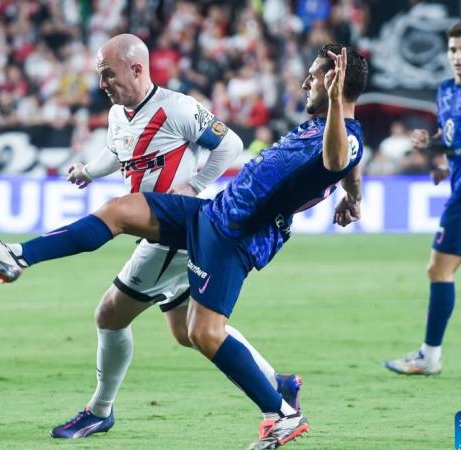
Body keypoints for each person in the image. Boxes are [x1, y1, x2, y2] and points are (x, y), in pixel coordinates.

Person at [0, 44, 368, 449]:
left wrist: (335, 109)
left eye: (313, 77)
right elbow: (344, 170)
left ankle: (281, 414)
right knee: (120, 211)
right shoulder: (322, 127)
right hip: (214, 212)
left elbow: (337, 160)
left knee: (202, 333)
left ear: (334, 82)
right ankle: (18, 256)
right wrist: (354, 195)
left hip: (238, 233)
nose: (304, 83)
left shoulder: (343, 134)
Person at [51, 34, 302, 440]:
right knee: (189, 331)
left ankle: (99, 410)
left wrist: (196, 184)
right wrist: (88, 172)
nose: (102, 84)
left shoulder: (178, 107)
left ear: (136, 69)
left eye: (107, 74)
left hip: (170, 232)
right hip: (156, 230)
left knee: (109, 315)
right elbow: (117, 151)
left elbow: (231, 143)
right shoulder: (120, 114)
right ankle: (279, 382)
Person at [385, 22, 461, 376]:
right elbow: (456, 135)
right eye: (453, 49)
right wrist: (436, 149)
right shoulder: (444, 91)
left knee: (438, 269)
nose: (457, 56)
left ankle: (429, 356)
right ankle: (429, 356)